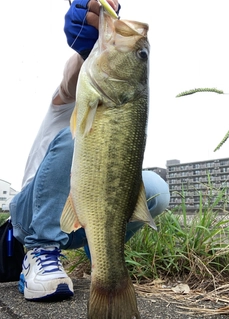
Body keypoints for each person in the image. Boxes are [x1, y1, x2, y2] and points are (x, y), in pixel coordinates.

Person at [10, 0, 170, 302]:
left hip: (80, 218)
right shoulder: (74, 102)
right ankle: (40, 250)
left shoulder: (123, 100)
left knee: (156, 190)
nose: (138, 49)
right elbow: (68, 83)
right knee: (75, 138)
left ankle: (100, 253)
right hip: (30, 216)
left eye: (140, 54)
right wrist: (85, 49)